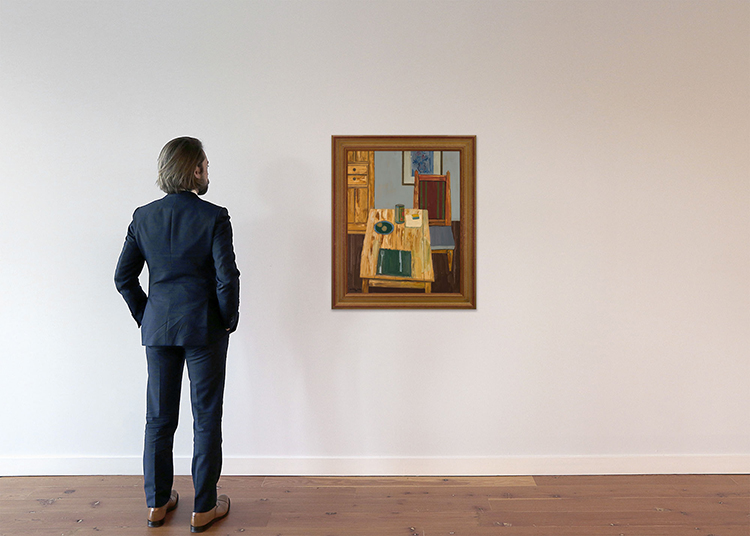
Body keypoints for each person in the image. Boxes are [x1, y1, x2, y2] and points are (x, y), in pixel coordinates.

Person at [115, 137, 240, 532]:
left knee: (158, 417)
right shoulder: (214, 216)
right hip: (204, 329)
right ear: (195, 169)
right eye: (206, 164)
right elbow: (227, 278)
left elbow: (123, 277)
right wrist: (227, 320)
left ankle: (157, 503)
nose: (209, 171)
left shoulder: (143, 216)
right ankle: (203, 507)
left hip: (159, 328)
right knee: (205, 418)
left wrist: (146, 316)